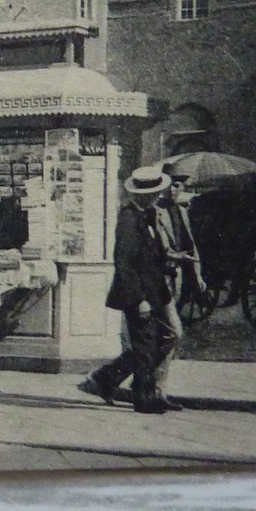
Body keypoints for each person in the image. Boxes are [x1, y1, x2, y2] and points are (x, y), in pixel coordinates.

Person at [78, 167, 177, 415]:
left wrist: (169, 261)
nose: (155, 197)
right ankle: (143, 400)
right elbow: (124, 263)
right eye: (151, 193)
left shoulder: (148, 215)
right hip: (138, 294)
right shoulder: (129, 219)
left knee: (156, 342)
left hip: (155, 291)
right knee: (144, 347)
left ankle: (105, 379)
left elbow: (149, 255)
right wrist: (140, 300)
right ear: (141, 194)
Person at [153, 170, 204, 408]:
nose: (174, 190)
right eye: (171, 185)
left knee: (163, 336)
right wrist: (177, 257)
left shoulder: (182, 212)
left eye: (179, 186)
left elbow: (190, 245)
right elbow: (160, 250)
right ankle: (153, 390)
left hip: (177, 280)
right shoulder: (154, 211)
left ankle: (153, 389)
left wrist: (198, 276)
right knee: (172, 332)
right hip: (158, 281)